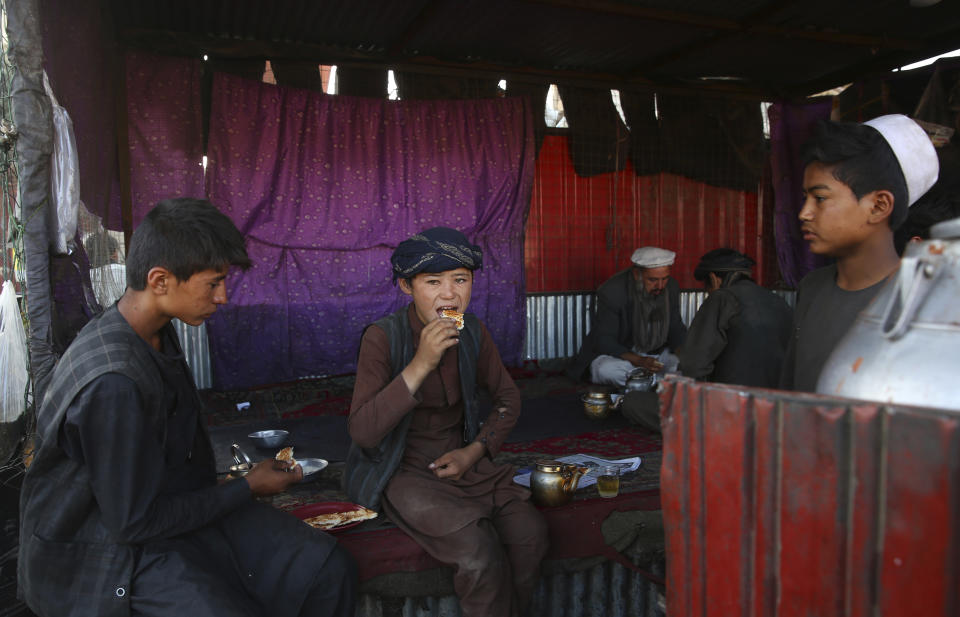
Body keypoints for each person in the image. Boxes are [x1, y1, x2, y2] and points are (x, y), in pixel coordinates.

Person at [19, 198, 357, 617]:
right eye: (213, 283)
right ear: (160, 280)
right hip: (104, 550)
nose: (224, 297)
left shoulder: (155, 329)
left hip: (171, 511)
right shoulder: (114, 383)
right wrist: (246, 487)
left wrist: (236, 489)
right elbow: (133, 524)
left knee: (325, 567)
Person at [342, 227, 548, 617]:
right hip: (403, 469)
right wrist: (421, 363)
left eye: (461, 280)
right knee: (478, 552)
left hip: (465, 465)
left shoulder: (473, 333)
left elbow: (507, 399)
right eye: (433, 282)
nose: (450, 294)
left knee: (530, 534)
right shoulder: (383, 338)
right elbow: (363, 432)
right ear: (406, 286)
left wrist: (475, 450)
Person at [780, 114, 939, 392]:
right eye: (805, 197)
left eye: (820, 198)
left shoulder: (927, 303)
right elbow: (790, 391)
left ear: (878, 206)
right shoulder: (813, 288)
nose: (804, 213)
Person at [567, 246, 687, 387]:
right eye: (653, 280)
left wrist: (684, 355)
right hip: (623, 357)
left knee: (683, 365)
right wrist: (639, 360)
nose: (660, 286)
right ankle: (658, 384)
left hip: (656, 357)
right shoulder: (612, 291)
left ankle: (646, 383)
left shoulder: (671, 287)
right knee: (604, 369)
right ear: (637, 274)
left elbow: (676, 328)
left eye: (664, 278)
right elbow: (604, 339)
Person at [676, 248, 792, 388]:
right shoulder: (779, 302)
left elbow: (693, 363)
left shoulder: (722, 298)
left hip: (733, 401)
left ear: (714, 279)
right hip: (777, 399)